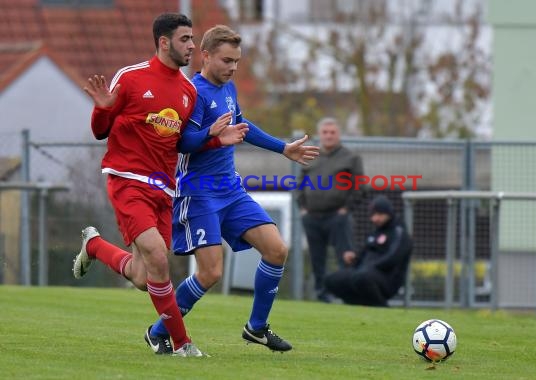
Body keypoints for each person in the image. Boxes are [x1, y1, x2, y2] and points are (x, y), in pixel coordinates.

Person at [72, 13, 247, 358]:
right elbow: (100, 130)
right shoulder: (133, 77)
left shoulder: (186, 90)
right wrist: (102, 110)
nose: (192, 46)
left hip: (164, 188)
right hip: (128, 180)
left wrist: (213, 138)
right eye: (185, 40)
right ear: (164, 42)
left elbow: (180, 143)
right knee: (158, 259)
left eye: (192, 39)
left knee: (142, 275)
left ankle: (94, 246)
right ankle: (181, 343)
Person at [144, 24, 320, 354]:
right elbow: (181, 143)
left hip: (231, 190)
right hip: (198, 193)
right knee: (210, 272)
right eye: (227, 60)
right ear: (206, 56)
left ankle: (256, 328)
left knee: (276, 249)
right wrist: (212, 136)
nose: (233, 67)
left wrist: (283, 148)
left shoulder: (229, 88)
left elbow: (242, 124)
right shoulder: (192, 93)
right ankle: (158, 331)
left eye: (237, 61)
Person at [295, 117, 364, 303]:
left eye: (332, 132)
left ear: (339, 134)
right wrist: (303, 208)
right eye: (325, 132)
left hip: (338, 216)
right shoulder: (311, 156)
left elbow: (360, 187)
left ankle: (348, 295)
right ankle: (322, 295)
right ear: (320, 135)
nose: (328, 136)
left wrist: (346, 209)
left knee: (345, 257)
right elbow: (299, 185)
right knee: (318, 260)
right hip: (312, 217)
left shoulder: (351, 158)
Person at [324, 195, 413, 307]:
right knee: (332, 279)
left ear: (389, 213)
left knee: (361, 277)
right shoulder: (375, 233)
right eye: (373, 215)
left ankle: (381, 307)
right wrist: (354, 258)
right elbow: (363, 255)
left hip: (386, 278)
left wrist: (370, 267)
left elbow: (393, 258)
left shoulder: (399, 232)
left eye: (379, 214)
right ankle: (354, 305)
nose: (375, 219)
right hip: (364, 273)